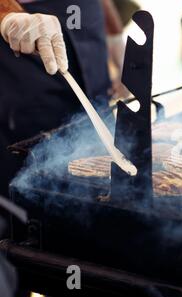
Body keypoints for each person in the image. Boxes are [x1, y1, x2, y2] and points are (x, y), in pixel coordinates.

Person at [0, 0, 126, 197]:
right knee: (38, 175)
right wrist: (7, 14)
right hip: (24, 29)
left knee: (107, 155)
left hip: (86, 18)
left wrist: (115, 35)